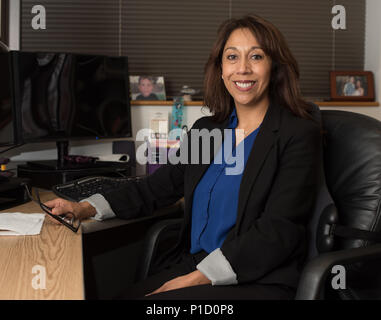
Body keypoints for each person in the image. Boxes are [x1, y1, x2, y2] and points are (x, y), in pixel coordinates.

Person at [45, 14, 322, 300]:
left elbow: (278, 230)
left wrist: (195, 280)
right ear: (220, 68)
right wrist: (84, 208)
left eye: (256, 57)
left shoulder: (297, 133)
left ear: (274, 66)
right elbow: (157, 188)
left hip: (257, 278)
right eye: (231, 57)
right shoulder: (208, 130)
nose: (242, 69)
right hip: (196, 264)